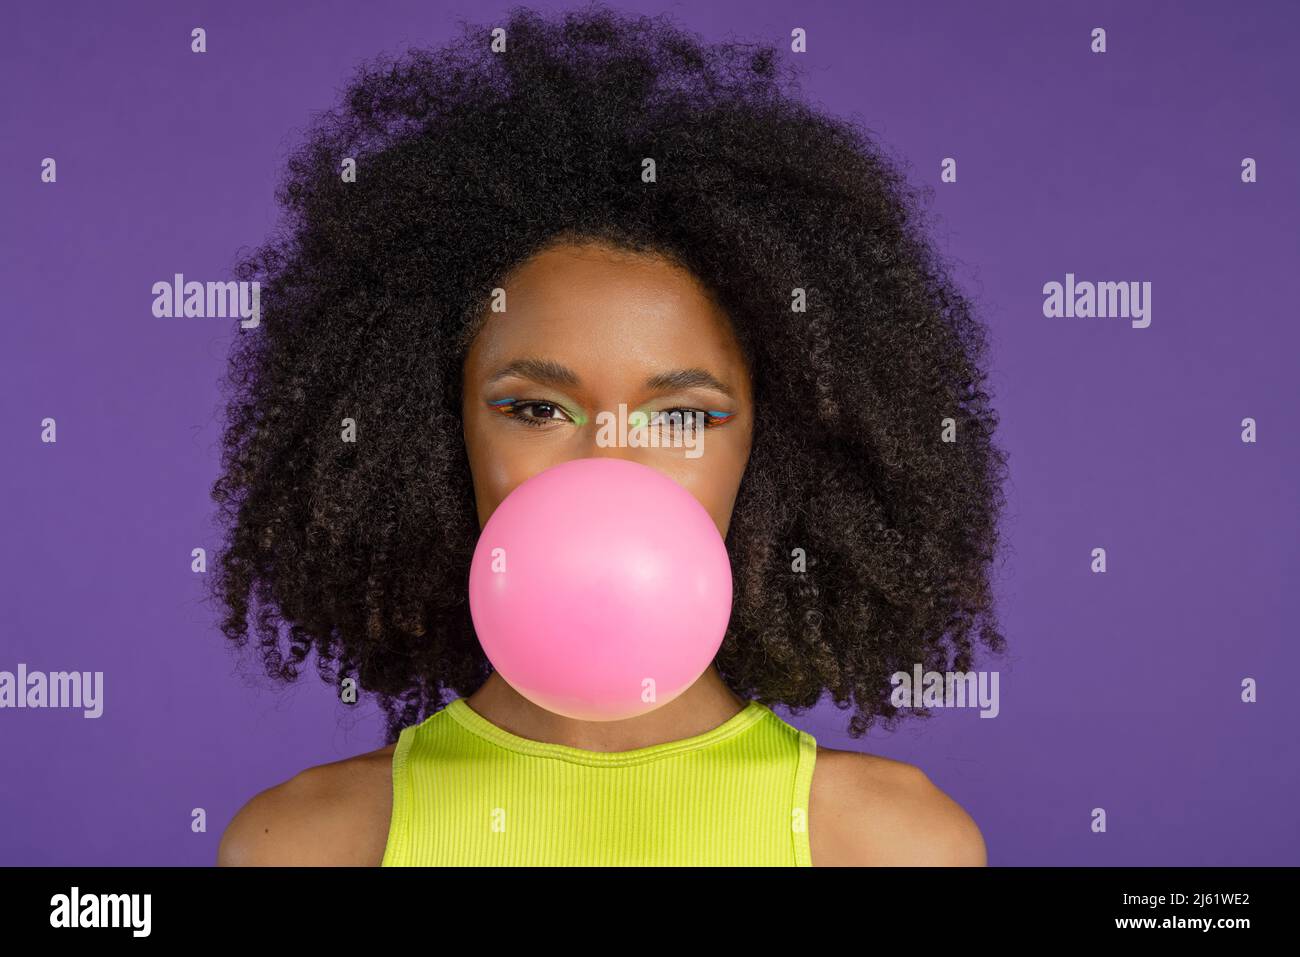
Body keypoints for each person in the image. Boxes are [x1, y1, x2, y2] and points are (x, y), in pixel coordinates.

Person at [211, 3, 1008, 866]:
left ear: (776, 457)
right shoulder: (307, 842)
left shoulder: (892, 843)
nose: (607, 464)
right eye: (537, 408)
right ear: (435, 438)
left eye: (682, 416)